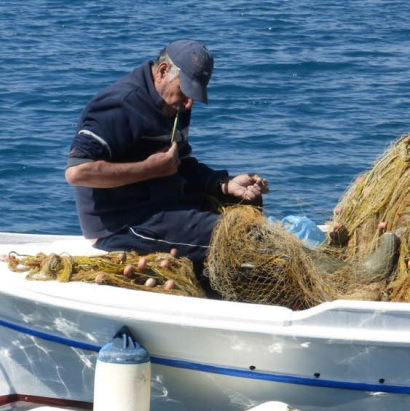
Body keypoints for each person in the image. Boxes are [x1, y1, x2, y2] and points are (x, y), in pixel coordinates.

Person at [65, 39, 268, 277]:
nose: (189, 102)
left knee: (247, 205)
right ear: (163, 71)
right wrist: (149, 169)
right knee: (235, 236)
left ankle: (214, 277)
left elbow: (178, 165)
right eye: (186, 91)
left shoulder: (176, 105)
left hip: (165, 204)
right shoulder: (118, 105)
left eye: (195, 94)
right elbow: (77, 172)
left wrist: (222, 183)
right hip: (122, 225)